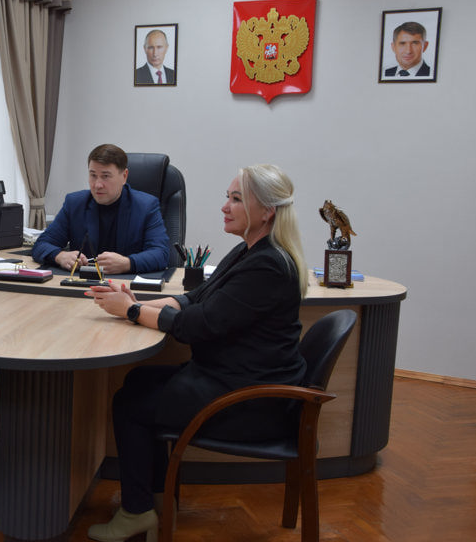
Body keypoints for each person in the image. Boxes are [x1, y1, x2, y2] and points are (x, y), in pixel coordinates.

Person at [84, 164, 308, 542]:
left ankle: (137, 512)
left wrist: (132, 312)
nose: (225, 206)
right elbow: (196, 298)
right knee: (137, 381)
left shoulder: (267, 266)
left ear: (267, 211)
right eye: (228, 196)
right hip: (231, 379)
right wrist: (141, 301)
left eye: (236, 199)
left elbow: (197, 326)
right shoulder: (250, 251)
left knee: (131, 405)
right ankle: (155, 503)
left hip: (247, 400)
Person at [31, 144, 170, 274]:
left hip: (126, 287)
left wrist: (128, 263)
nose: (97, 185)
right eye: (93, 175)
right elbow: (42, 244)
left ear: (124, 176)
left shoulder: (146, 206)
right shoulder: (75, 203)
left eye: (105, 176)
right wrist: (60, 256)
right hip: (82, 285)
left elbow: (161, 253)